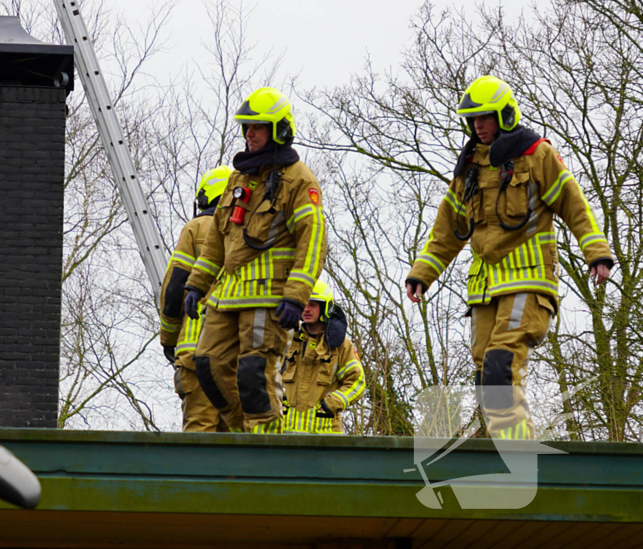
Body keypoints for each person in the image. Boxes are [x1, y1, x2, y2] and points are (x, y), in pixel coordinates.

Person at [405, 75, 614, 440]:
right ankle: (513, 452)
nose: (478, 125)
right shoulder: (468, 169)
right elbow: (446, 230)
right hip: (484, 287)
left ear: (504, 115)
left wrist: (597, 253)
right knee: (486, 380)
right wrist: (422, 274)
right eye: (472, 119)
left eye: (484, 117)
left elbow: (574, 204)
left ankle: (521, 459)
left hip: (527, 279)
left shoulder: (537, 156)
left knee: (501, 367)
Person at [184, 87, 327, 433]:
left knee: (253, 373)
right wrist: (196, 284)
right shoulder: (237, 179)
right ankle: (244, 435)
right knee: (207, 364)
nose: (249, 134)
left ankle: (265, 444)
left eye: (257, 127)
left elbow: (313, 243)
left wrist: (296, 296)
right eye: (246, 127)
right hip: (226, 296)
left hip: (268, 299)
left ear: (278, 130)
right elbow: (218, 238)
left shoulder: (299, 180)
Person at [159, 165, 231, 432]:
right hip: (241, 355)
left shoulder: (197, 228)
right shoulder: (256, 232)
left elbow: (175, 288)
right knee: (240, 440)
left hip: (197, 351)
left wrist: (168, 339)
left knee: (200, 435)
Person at [254, 279, 365, 434]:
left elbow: (357, 382)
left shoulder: (341, 346)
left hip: (325, 437)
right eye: (304, 304)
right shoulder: (286, 339)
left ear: (325, 307)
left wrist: (332, 403)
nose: (306, 309)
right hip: (285, 432)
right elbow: (264, 373)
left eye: (312, 304)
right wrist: (275, 398)